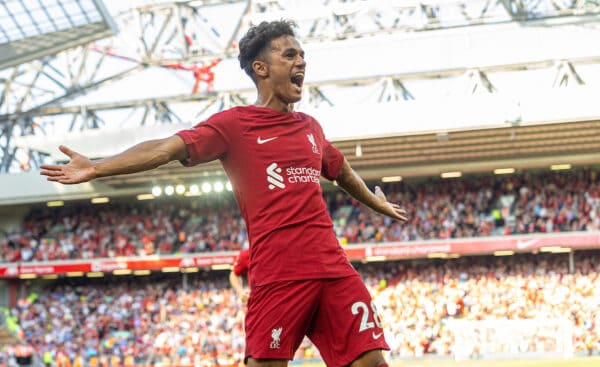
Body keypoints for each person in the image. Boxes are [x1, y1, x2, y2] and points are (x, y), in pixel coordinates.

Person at [40, 19, 407, 367]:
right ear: (261, 68)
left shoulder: (311, 127)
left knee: (371, 361)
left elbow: (339, 168)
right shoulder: (234, 125)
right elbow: (164, 149)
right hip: (279, 275)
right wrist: (98, 166)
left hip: (334, 270)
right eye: (290, 54)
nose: (302, 61)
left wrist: (375, 202)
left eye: (302, 54)